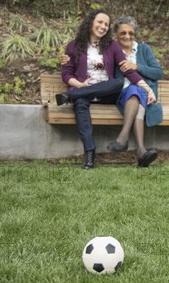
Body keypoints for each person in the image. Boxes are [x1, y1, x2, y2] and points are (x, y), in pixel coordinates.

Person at [56, 9, 156, 169]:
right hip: (84, 90)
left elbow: (127, 70)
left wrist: (147, 89)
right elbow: (66, 74)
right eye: (100, 22)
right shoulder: (74, 46)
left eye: (106, 24)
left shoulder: (112, 46)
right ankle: (89, 153)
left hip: (107, 92)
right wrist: (79, 85)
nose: (103, 26)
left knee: (117, 83)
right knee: (80, 104)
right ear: (91, 22)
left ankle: (70, 96)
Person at [105, 16, 163, 167]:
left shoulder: (144, 50)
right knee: (133, 91)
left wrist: (136, 67)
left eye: (131, 33)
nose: (127, 36)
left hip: (145, 94)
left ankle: (126, 140)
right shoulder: (112, 51)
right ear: (116, 34)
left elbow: (158, 73)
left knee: (136, 92)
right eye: (123, 33)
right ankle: (141, 151)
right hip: (121, 95)